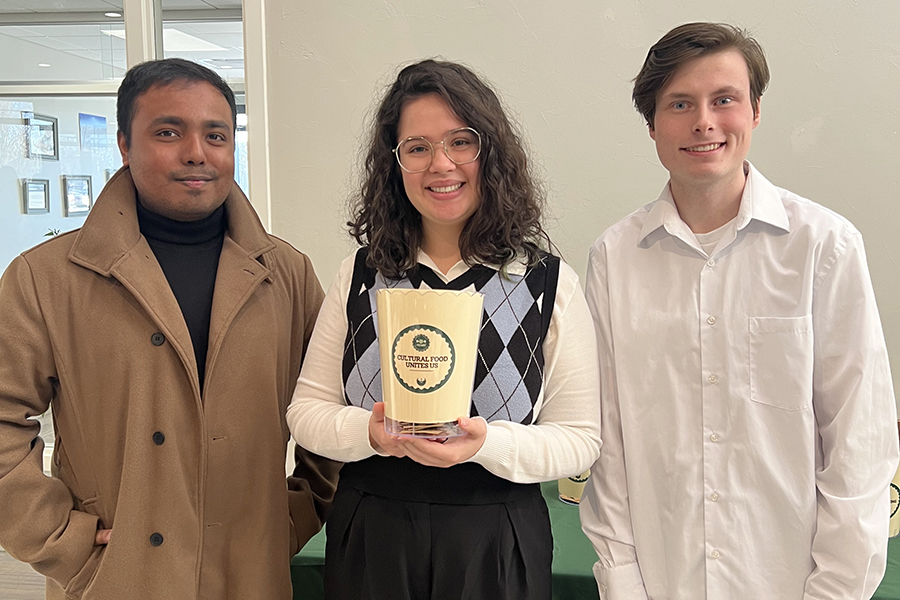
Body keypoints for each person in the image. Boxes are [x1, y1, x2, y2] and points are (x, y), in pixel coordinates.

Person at [579, 22, 899, 599]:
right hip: (661, 580)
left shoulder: (824, 248)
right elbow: (612, 443)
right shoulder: (613, 259)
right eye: (680, 103)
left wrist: (835, 590)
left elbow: (861, 442)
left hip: (792, 584)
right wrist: (623, 584)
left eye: (723, 99)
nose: (704, 121)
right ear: (651, 125)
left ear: (755, 112)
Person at [0, 58, 340, 599]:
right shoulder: (44, 278)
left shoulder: (288, 274)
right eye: (167, 132)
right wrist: (61, 539)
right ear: (124, 145)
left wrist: (297, 512)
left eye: (216, 135)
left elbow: (331, 406)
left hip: (251, 576)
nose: (196, 153)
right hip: (117, 578)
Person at [286, 58, 601, 600]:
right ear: (395, 163)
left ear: (491, 153)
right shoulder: (361, 275)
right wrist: (371, 434)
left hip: (496, 538)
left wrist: (484, 444)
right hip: (373, 532)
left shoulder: (548, 282)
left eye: (461, 141)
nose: (441, 164)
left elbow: (579, 440)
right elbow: (306, 413)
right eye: (417, 147)